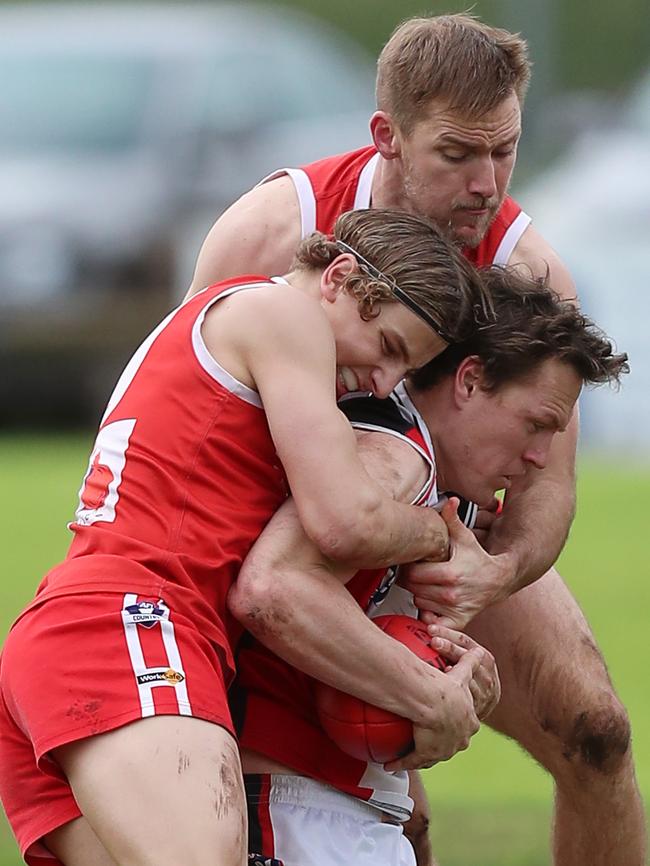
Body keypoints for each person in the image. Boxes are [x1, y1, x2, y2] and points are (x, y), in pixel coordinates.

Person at [187, 14, 646, 865]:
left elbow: (548, 485)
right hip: (285, 536)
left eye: (504, 150)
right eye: (458, 154)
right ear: (387, 137)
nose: (487, 181)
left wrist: (492, 572)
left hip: (441, 531)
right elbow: (187, 407)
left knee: (598, 732)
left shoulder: (527, 266)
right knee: (397, 807)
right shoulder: (275, 229)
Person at [0, 209, 495, 866]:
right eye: (390, 349)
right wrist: (439, 532)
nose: (384, 385)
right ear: (341, 277)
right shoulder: (282, 315)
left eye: (405, 373)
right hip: (133, 624)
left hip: (87, 634)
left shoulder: (228, 315)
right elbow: (343, 521)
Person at [228, 266, 629, 866]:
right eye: (536, 424)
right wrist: (430, 695)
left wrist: (466, 673)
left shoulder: (447, 483)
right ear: (469, 381)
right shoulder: (395, 452)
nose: (540, 457)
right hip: (288, 803)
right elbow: (273, 589)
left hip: (334, 802)